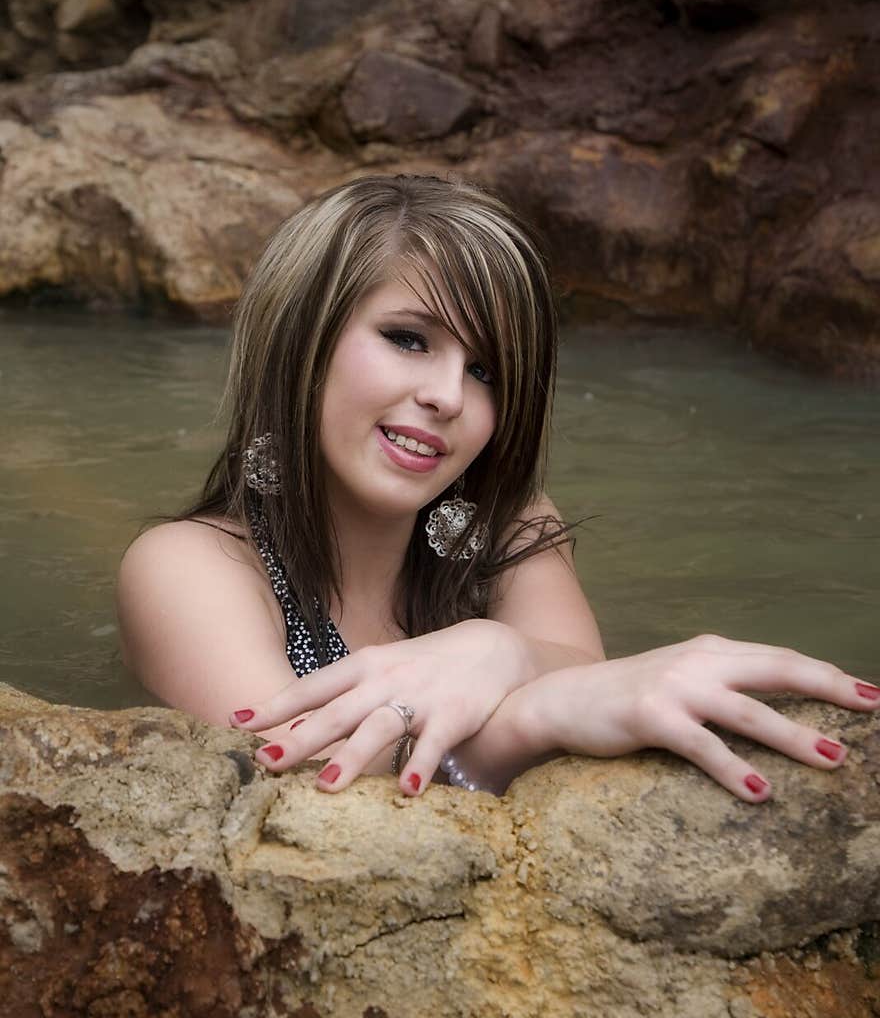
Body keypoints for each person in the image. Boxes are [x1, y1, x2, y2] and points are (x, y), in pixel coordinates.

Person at [116, 174, 879, 803]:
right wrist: (527, 707)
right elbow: (295, 784)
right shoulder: (187, 567)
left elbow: (586, 670)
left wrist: (503, 650)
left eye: (487, 372)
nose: (449, 396)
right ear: (300, 342)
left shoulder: (512, 528)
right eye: (408, 339)